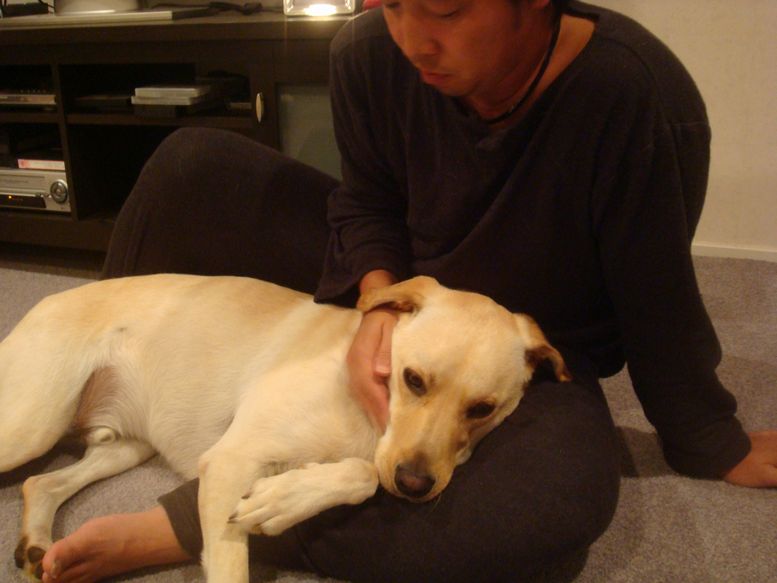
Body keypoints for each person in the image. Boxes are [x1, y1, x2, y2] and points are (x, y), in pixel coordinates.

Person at [39, 1, 777, 582]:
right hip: (408, 289)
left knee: (551, 512)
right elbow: (366, 203)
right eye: (391, 4)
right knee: (191, 166)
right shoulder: (367, 50)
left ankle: (197, 523)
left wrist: (709, 439)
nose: (412, 39)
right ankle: (112, 394)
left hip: (525, 345)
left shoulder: (635, 93)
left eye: (445, 10)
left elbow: (656, 296)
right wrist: (379, 301)